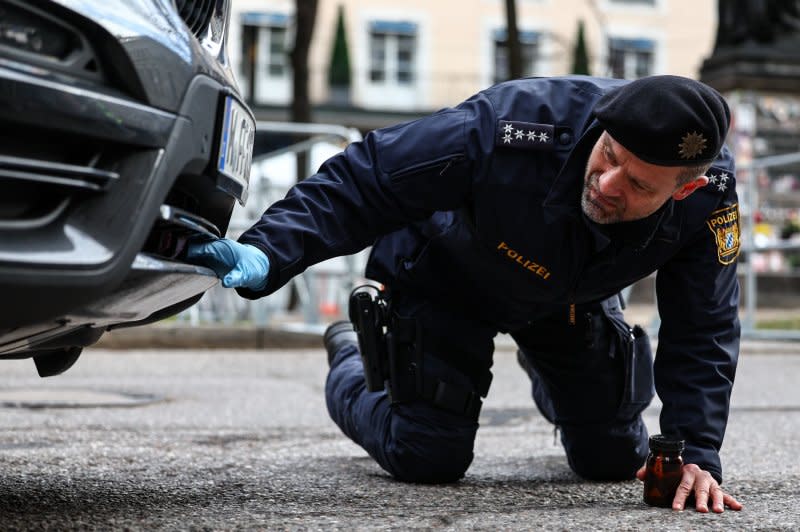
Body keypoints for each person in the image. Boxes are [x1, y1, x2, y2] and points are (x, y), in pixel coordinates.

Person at [187, 75, 743, 513]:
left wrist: (698, 452)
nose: (608, 183)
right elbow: (370, 177)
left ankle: (558, 371)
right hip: (451, 279)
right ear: (601, 126)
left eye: (640, 185)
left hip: (568, 299)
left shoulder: (710, 199)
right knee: (427, 455)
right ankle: (351, 360)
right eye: (610, 156)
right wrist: (268, 249)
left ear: (685, 187)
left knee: (615, 457)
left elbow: (705, 325)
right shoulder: (511, 125)